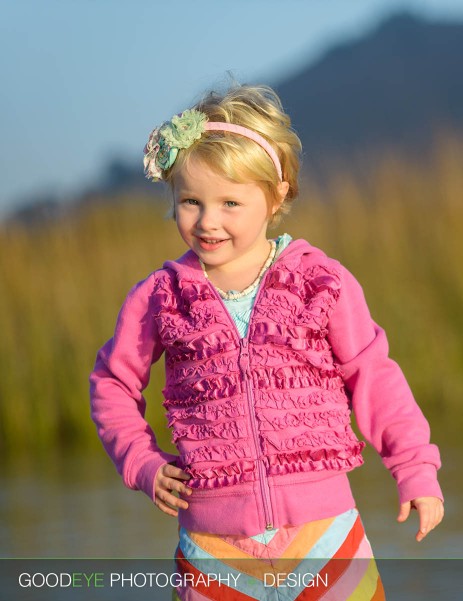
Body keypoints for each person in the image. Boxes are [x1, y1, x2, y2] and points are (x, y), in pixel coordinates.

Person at [89, 83, 444, 600]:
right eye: (191, 201)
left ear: (276, 197)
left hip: (324, 535)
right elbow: (112, 383)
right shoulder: (161, 297)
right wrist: (142, 463)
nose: (208, 221)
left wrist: (414, 468)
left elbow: (373, 376)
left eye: (230, 202)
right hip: (213, 546)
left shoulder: (320, 281)